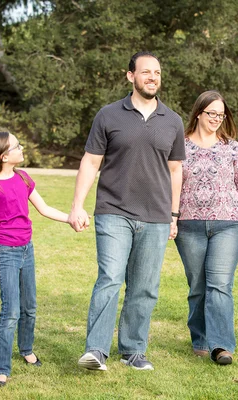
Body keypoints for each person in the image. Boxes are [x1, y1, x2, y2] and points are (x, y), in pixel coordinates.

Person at [70, 51, 185, 372]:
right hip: (113, 211)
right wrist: (77, 205)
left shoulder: (173, 120)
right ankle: (96, 350)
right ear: (130, 76)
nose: (152, 77)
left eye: (157, 73)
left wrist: (174, 215)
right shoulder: (108, 115)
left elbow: (176, 170)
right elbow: (91, 162)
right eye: (146, 72)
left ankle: (133, 350)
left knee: (145, 285)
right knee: (109, 278)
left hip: (157, 216)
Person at [174, 90, 238, 365]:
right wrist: (170, 218)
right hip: (189, 224)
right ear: (198, 113)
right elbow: (170, 184)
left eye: (222, 115)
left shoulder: (231, 147)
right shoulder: (179, 146)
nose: (218, 119)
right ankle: (200, 338)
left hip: (228, 223)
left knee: (219, 285)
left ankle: (221, 346)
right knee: (197, 285)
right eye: (212, 113)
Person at [0, 130, 70, 387]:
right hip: (6, 253)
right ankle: (1, 369)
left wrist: (70, 218)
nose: (21, 148)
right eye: (17, 146)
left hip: (27, 249)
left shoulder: (24, 178)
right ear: (4, 156)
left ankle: (26, 349)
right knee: (10, 311)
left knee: (30, 307)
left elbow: (45, 208)